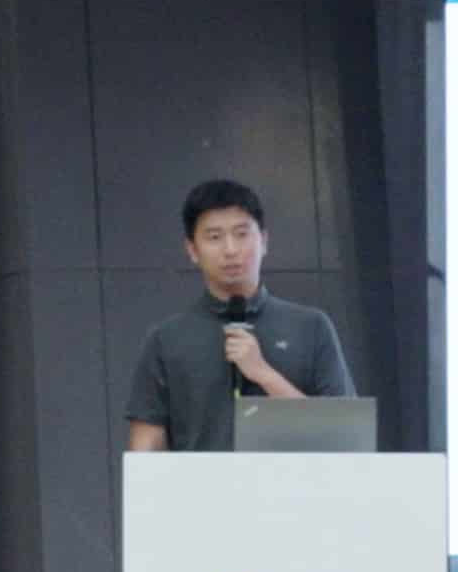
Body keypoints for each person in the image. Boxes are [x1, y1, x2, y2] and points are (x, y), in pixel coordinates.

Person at [122, 176, 356, 454]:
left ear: (264, 241)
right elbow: (146, 443)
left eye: (242, 234)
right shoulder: (167, 339)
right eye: (215, 237)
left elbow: (344, 438)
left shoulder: (311, 326)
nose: (230, 250)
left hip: (290, 482)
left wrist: (263, 373)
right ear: (192, 250)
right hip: (202, 483)